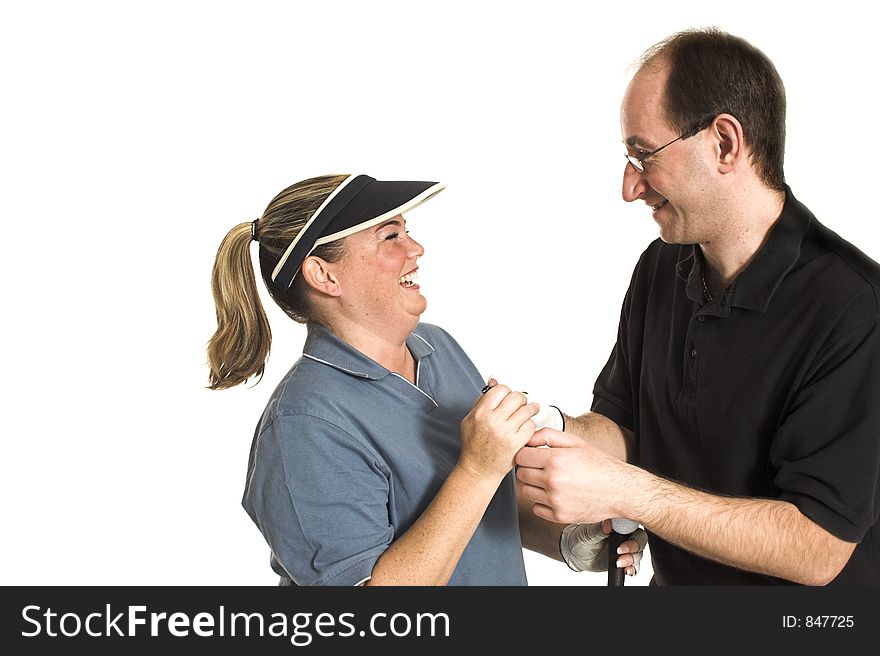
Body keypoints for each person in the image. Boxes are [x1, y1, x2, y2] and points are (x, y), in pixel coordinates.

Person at [516, 28, 880, 585]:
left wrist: (625, 490)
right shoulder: (661, 268)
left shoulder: (854, 308)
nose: (629, 187)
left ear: (725, 144)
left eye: (644, 156)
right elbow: (627, 430)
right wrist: (544, 427)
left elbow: (817, 547)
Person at [207, 173, 645, 585]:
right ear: (325, 274)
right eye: (390, 237)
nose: (415, 249)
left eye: (406, 230)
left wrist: (568, 541)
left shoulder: (438, 349)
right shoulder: (304, 425)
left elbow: (477, 506)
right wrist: (478, 465)